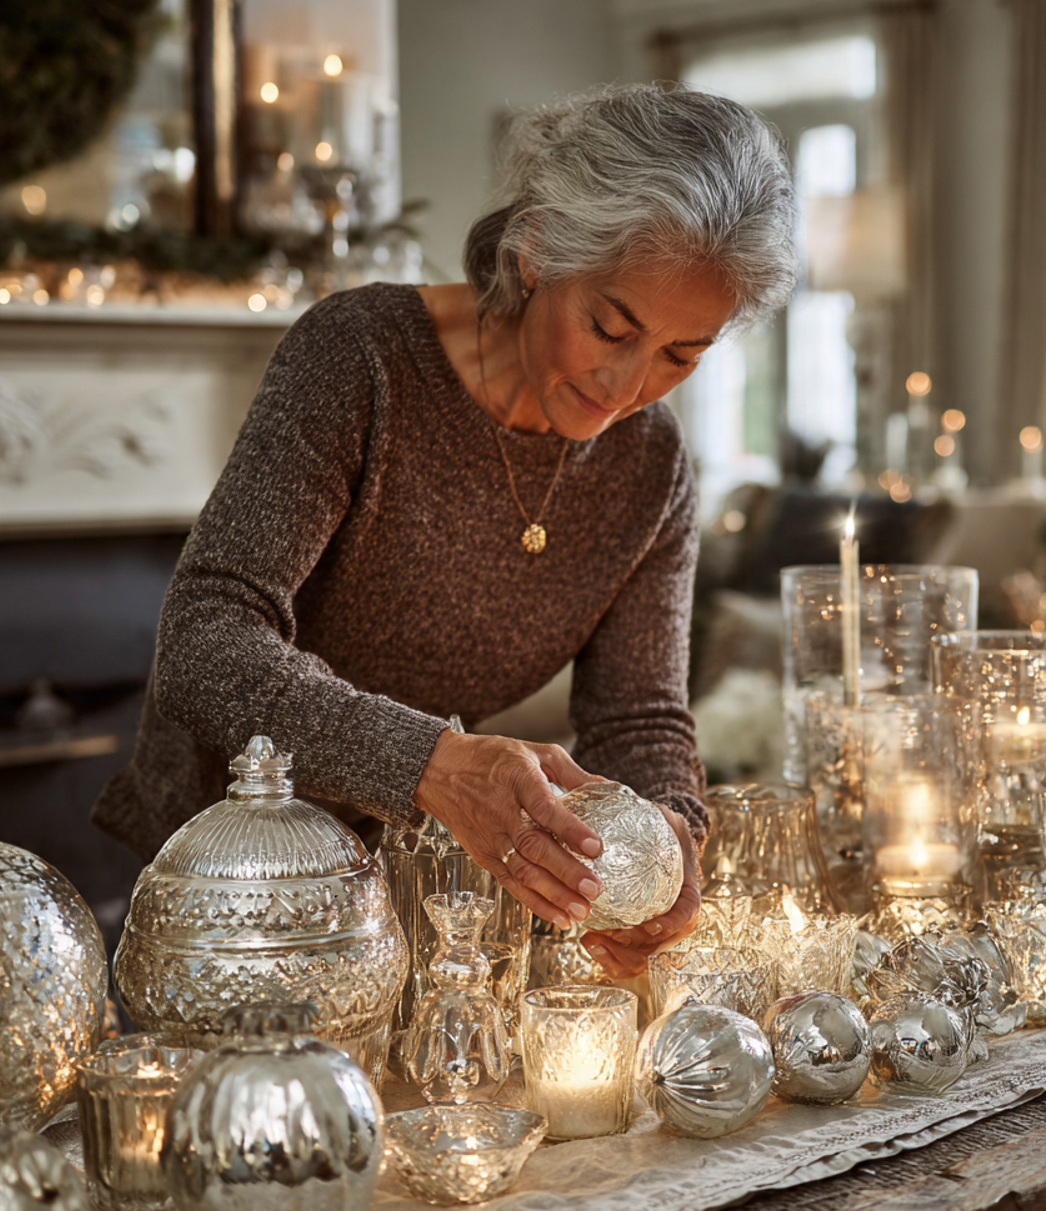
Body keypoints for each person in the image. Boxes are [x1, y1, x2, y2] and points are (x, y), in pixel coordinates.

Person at [93, 83, 797, 976]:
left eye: (679, 355)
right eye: (609, 326)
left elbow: (637, 713)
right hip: (230, 885)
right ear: (536, 248)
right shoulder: (362, 360)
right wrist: (438, 765)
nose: (628, 385)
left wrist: (671, 834)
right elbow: (205, 639)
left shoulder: (648, 466)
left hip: (425, 912)